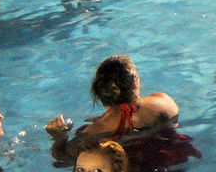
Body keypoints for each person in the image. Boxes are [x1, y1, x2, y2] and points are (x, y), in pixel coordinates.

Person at [45, 54, 179, 161]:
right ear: (136, 82)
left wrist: (59, 137)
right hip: (167, 157)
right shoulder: (164, 102)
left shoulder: (95, 131)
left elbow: (62, 158)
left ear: (99, 92)